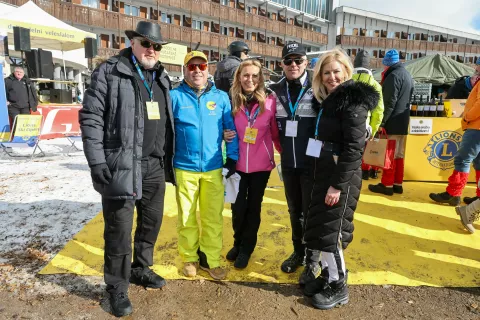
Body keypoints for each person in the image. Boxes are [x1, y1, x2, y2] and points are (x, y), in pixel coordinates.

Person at [79, 21, 175, 317]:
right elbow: (91, 117)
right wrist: (96, 161)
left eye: (157, 46)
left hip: (155, 166)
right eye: (146, 43)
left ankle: (140, 268)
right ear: (132, 42)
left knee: (151, 223)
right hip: (121, 164)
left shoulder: (161, 77)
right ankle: (116, 287)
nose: (152, 50)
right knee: (118, 230)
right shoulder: (110, 70)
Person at [302, 48, 379, 310]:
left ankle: (339, 284)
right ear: (320, 77)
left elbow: (353, 149)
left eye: (336, 71)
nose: (332, 77)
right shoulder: (330, 101)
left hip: (340, 177)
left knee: (331, 232)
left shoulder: (353, 102)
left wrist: (337, 185)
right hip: (325, 172)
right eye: (327, 73)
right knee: (323, 229)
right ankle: (327, 274)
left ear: (346, 71)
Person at [171, 51, 239, 280]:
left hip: (213, 168)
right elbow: (166, 133)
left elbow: (231, 130)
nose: (197, 70)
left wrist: (232, 159)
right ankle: (190, 257)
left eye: (201, 66)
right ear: (184, 70)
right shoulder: (174, 97)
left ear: (208, 68)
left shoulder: (221, 97)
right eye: (192, 67)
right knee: (187, 217)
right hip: (184, 168)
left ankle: (211, 259)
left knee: (212, 217)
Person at [225, 59, 282, 269]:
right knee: (238, 208)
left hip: (261, 167)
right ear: (239, 77)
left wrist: (283, 154)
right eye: (246, 75)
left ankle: (247, 248)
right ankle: (237, 242)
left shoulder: (270, 102)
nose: (250, 79)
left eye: (254, 76)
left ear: (260, 79)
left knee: (253, 208)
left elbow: (275, 133)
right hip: (237, 165)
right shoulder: (232, 102)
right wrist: (224, 135)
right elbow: (224, 127)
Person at [269, 41, 317, 274]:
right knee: (294, 211)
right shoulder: (275, 90)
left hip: (313, 163)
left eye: (298, 60)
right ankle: (298, 252)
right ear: (282, 64)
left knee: (311, 211)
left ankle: (312, 257)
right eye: (288, 60)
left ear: (306, 63)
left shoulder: (318, 87)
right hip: (289, 162)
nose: (293, 65)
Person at [368, 49, 413, 196]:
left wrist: (382, 122)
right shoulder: (407, 74)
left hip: (392, 122)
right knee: (399, 154)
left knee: (389, 154)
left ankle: (386, 184)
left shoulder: (393, 76)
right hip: (403, 121)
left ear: (387, 63)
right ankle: (397, 184)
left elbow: (388, 102)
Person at [429, 76, 480, 206]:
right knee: (478, 163)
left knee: (463, 160)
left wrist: (467, 117)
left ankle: (453, 193)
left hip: (476, 127)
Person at [351, 50, 384, 180]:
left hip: (346, 125)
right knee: (363, 152)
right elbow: (379, 111)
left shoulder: (347, 79)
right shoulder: (375, 84)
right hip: (364, 127)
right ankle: (363, 174)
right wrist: (373, 129)